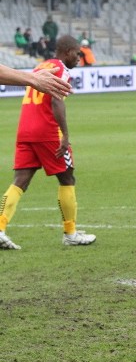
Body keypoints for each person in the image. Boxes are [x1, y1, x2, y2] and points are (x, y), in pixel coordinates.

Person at [0, 35, 96, 250]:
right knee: (67, 177)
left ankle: (0, 227)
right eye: (77, 53)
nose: (79, 58)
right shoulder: (59, 68)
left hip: (25, 128)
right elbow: (56, 99)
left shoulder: (41, 65)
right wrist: (65, 134)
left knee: (20, 179)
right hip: (47, 130)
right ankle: (70, 232)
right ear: (67, 52)